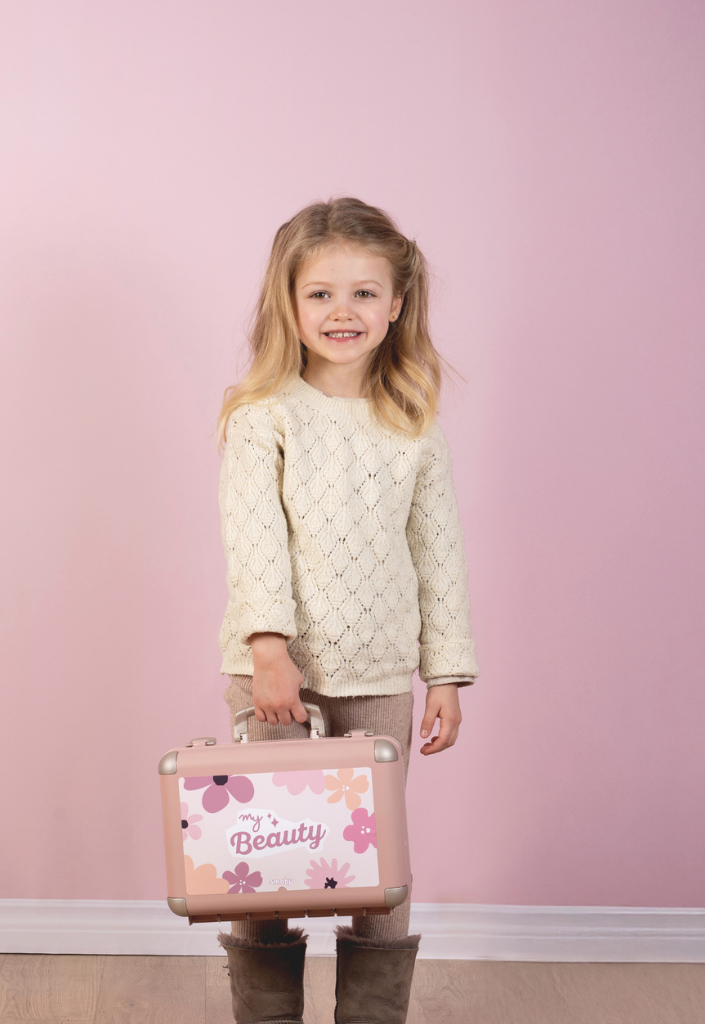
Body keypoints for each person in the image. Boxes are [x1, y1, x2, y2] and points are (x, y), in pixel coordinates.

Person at [216, 196, 478, 1024]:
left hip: (378, 677)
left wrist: (446, 673)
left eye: (364, 293)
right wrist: (269, 651)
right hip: (275, 678)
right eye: (321, 293)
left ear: (396, 304)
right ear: (289, 304)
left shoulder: (414, 426)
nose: (343, 311)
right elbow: (255, 539)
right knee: (267, 864)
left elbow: (439, 556)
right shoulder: (262, 418)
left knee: (377, 871)